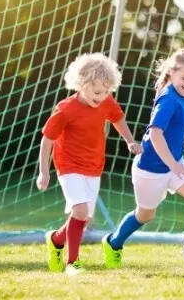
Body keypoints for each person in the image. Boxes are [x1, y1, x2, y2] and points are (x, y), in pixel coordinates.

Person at [101, 47, 184, 269]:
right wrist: (172, 164)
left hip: (174, 164)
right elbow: (155, 133)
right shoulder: (167, 99)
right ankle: (113, 243)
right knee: (145, 215)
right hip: (151, 169)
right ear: (171, 74)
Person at [36, 52, 143, 275]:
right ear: (82, 83)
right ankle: (72, 263)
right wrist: (44, 172)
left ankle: (56, 240)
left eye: (107, 92)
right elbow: (47, 140)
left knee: (83, 217)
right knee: (81, 211)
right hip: (68, 164)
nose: (102, 96)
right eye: (97, 92)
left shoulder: (106, 101)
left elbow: (117, 117)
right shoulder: (66, 109)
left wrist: (130, 140)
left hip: (94, 166)